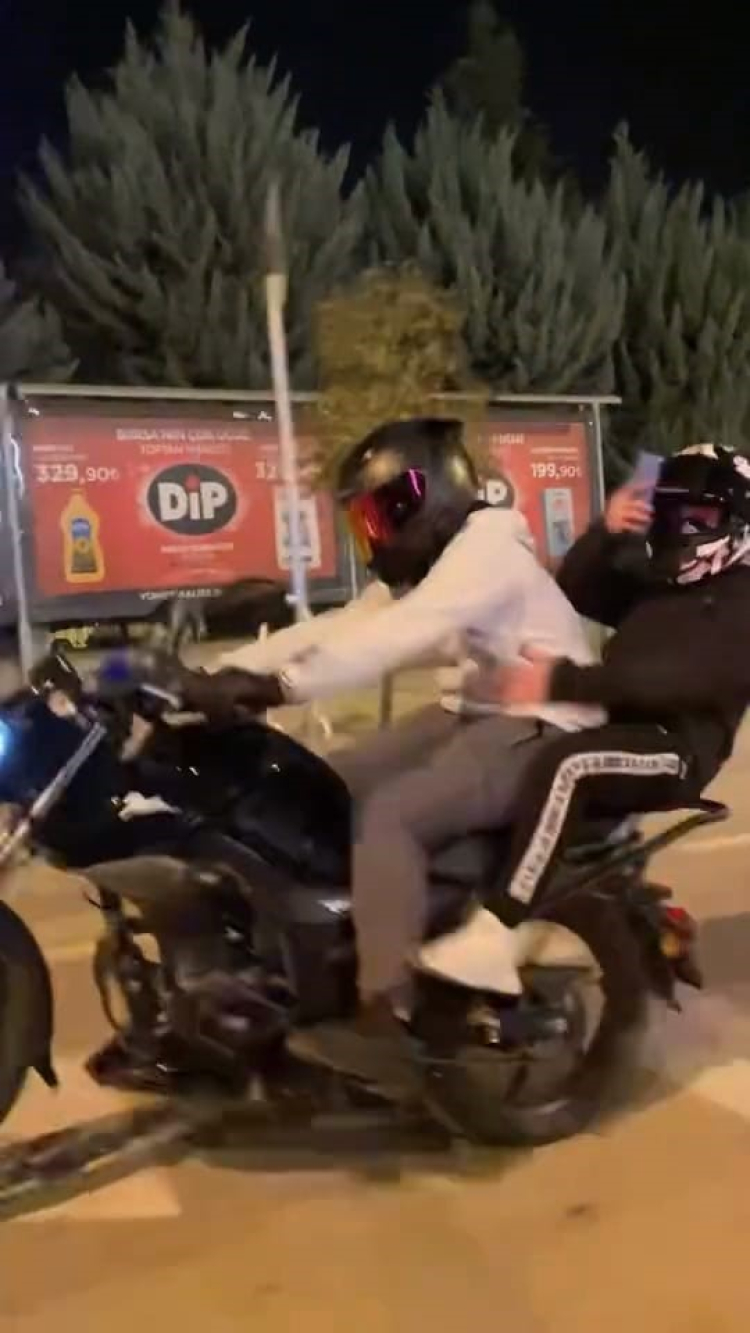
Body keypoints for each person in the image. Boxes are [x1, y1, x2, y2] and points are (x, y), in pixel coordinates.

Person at [156, 417, 603, 1092]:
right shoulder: (439, 563)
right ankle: (319, 951)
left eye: (382, 515)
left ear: (435, 494)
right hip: (476, 712)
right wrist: (217, 675)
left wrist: (280, 687)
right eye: (362, 522)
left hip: (544, 722)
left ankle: (385, 1005)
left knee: (391, 813)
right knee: (320, 784)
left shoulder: (487, 553)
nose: (373, 536)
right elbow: (345, 625)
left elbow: (397, 636)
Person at [420, 442, 750, 981]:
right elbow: (577, 589)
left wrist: (559, 681)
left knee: (569, 765)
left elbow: (668, 680)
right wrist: (607, 530)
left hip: (675, 749)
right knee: (504, 752)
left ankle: (497, 931)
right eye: (670, 513)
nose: (681, 527)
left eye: (698, 517)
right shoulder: (663, 585)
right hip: (619, 726)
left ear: (736, 524)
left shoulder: (740, 603)